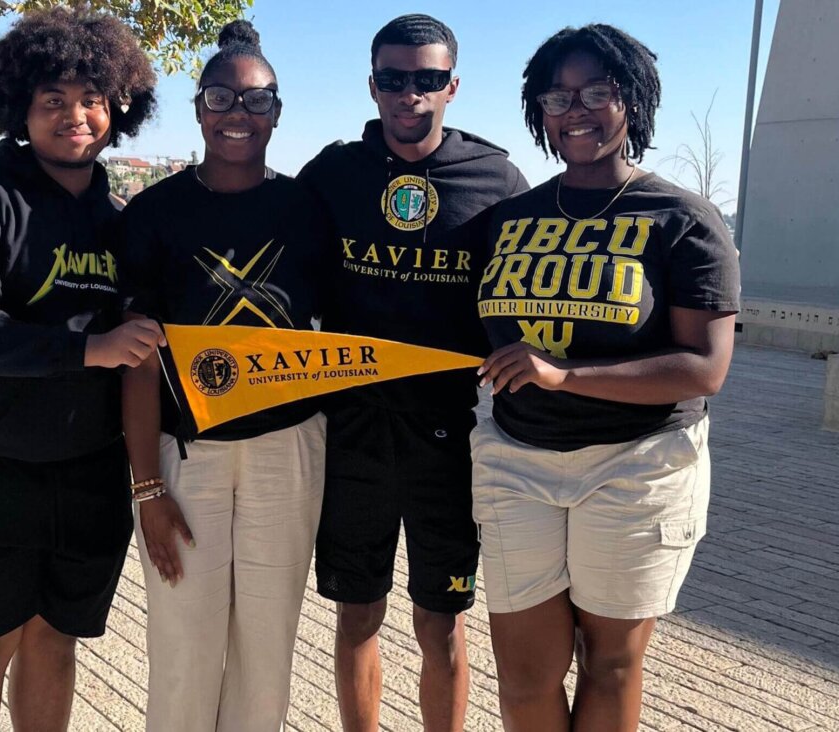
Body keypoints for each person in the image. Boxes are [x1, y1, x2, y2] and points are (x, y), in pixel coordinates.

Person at [473, 23, 740, 731]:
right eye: (557, 97)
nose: (576, 109)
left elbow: (704, 368)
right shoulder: (507, 219)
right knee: (524, 675)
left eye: (598, 91)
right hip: (515, 460)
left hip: (638, 465)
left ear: (633, 101)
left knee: (610, 664)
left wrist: (563, 375)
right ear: (538, 112)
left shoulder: (682, 220)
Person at [0, 10, 162, 731]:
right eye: (54, 100)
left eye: (92, 99)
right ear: (19, 107)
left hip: (88, 475)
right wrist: (91, 349)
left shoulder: (123, 221)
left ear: (119, 108)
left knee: (55, 643)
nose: (75, 116)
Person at [297, 14, 529, 732]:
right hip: (351, 433)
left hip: (445, 441)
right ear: (373, 85)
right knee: (357, 615)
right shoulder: (331, 174)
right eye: (394, 80)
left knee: (442, 623)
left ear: (452, 86)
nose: (410, 95)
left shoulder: (496, 178)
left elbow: (527, 297)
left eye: (427, 80)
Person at [119, 20, 329, 732]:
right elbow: (137, 359)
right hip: (186, 454)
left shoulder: (307, 209)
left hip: (287, 447)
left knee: (267, 649)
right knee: (182, 642)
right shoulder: (153, 213)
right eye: (221, 98)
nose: (238, 114)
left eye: (256, 101)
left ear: (277, 111)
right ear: (199, 109)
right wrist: (146, 487)